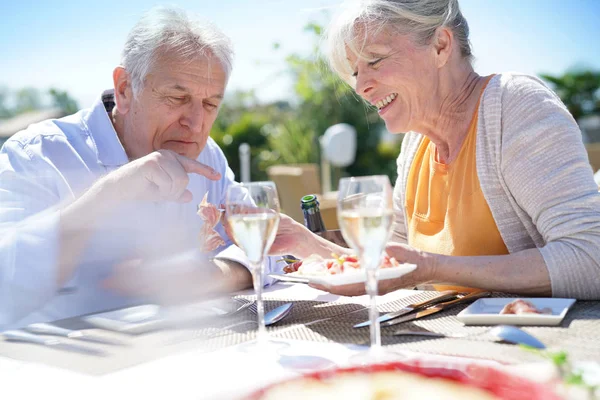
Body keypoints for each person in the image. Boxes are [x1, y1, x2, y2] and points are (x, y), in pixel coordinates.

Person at [270, 0, 600, 299]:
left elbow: (591, 258)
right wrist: (307, 244)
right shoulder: (415, 144)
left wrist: (434, 268)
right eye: (356, 72)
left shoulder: (516, 106)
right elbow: (393, 266)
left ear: (440, 46)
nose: (361, 86)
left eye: (375, 60)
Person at [0, 7, 282, 330]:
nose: (195, 124)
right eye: (177, 98)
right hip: (55, 367)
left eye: (209, 105)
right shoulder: (38, 155)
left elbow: (269, 244)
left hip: (187, 356)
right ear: (124, 90)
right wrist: (107, 194)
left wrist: (210, 275)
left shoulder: (206, 158)